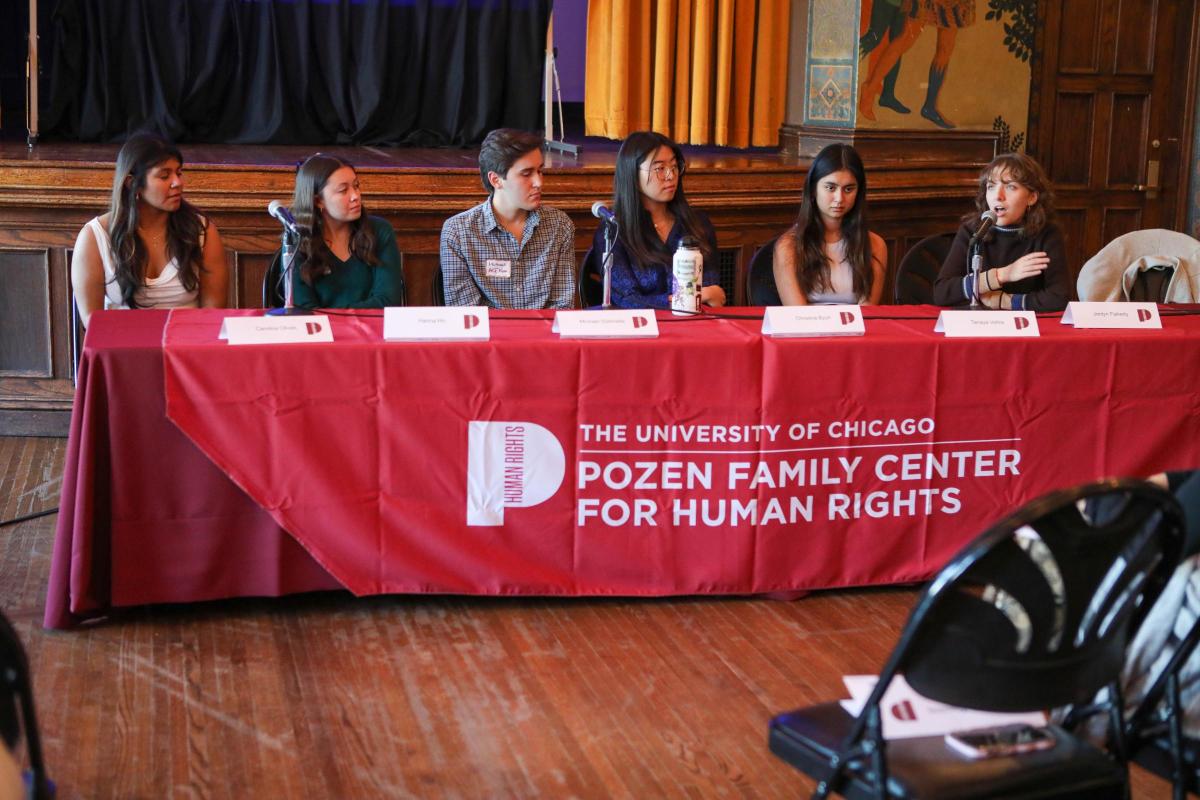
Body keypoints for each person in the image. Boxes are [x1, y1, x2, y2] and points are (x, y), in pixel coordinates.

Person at [70, 132, 227, 328]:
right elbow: (92, 325)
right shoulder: (94, 236)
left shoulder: (202, 231)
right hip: (124, 351)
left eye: (178, 172)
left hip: (186, 350)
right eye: (164, 175)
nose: (178, 183)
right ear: (132, 183)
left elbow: (213, 317)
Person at [439, 128, 576, 309]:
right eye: (526, 174)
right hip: (489, 336)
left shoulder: (559, 225)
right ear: (496, 180)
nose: (539, 182)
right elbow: (467, 317)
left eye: (540, 171)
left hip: (543, 335)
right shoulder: (458, 232)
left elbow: (562, 307)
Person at [589, 131, 726, 310]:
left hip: (693, 327)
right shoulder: (614, 230)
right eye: (660, 168)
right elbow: (627, 300)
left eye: (675, 166)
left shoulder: (697, 223)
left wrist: (704, 295)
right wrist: (690, 299)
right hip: (639, 329)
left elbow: (711, 292)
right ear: (633, 175)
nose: (670, 176)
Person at [933, 152, 1069, 312]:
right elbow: (942, 293)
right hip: (978, 327)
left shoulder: (1047, 234)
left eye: (1010, 187)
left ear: (1031, 197)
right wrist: (1001, 275)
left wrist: (1003, 301)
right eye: (991, 187)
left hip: (1026, 330)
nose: (998, 196)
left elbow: (1059, 298)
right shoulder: (972, 231)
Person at [772, 143, 886, 306]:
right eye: (830, 188)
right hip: (808, 328)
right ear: (813, 189)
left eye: (848, 189)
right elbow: (797, 315)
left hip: (855, 329)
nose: (839, 198)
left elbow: (867, 314)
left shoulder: (876, 245)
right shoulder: (788, 246)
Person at [287, 154, 404, 308]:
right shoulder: (296, 238)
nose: (355, 196)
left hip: (372, 330)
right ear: (318, 201)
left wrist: (335, 316)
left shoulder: (380, 231)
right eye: (343, 190)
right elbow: (304, 309)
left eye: (356, 186)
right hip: (320, 331)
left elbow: (388, 301)